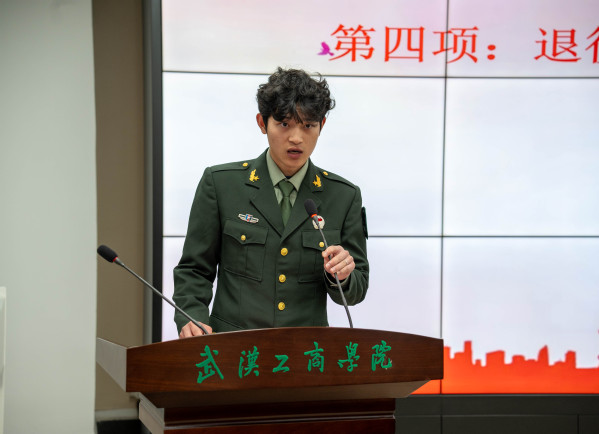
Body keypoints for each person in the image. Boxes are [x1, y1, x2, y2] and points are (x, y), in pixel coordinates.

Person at [174, 67, 369, 337]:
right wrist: (192, 316)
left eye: (308, 125)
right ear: (262, 123)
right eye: (284, 124)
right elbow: (194, 269)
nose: (296, 138)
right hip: (234, 347)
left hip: (306, 351)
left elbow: (357, 289)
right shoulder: (221, 184)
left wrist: (344, 275)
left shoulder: (343, 196)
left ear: (322, 126)